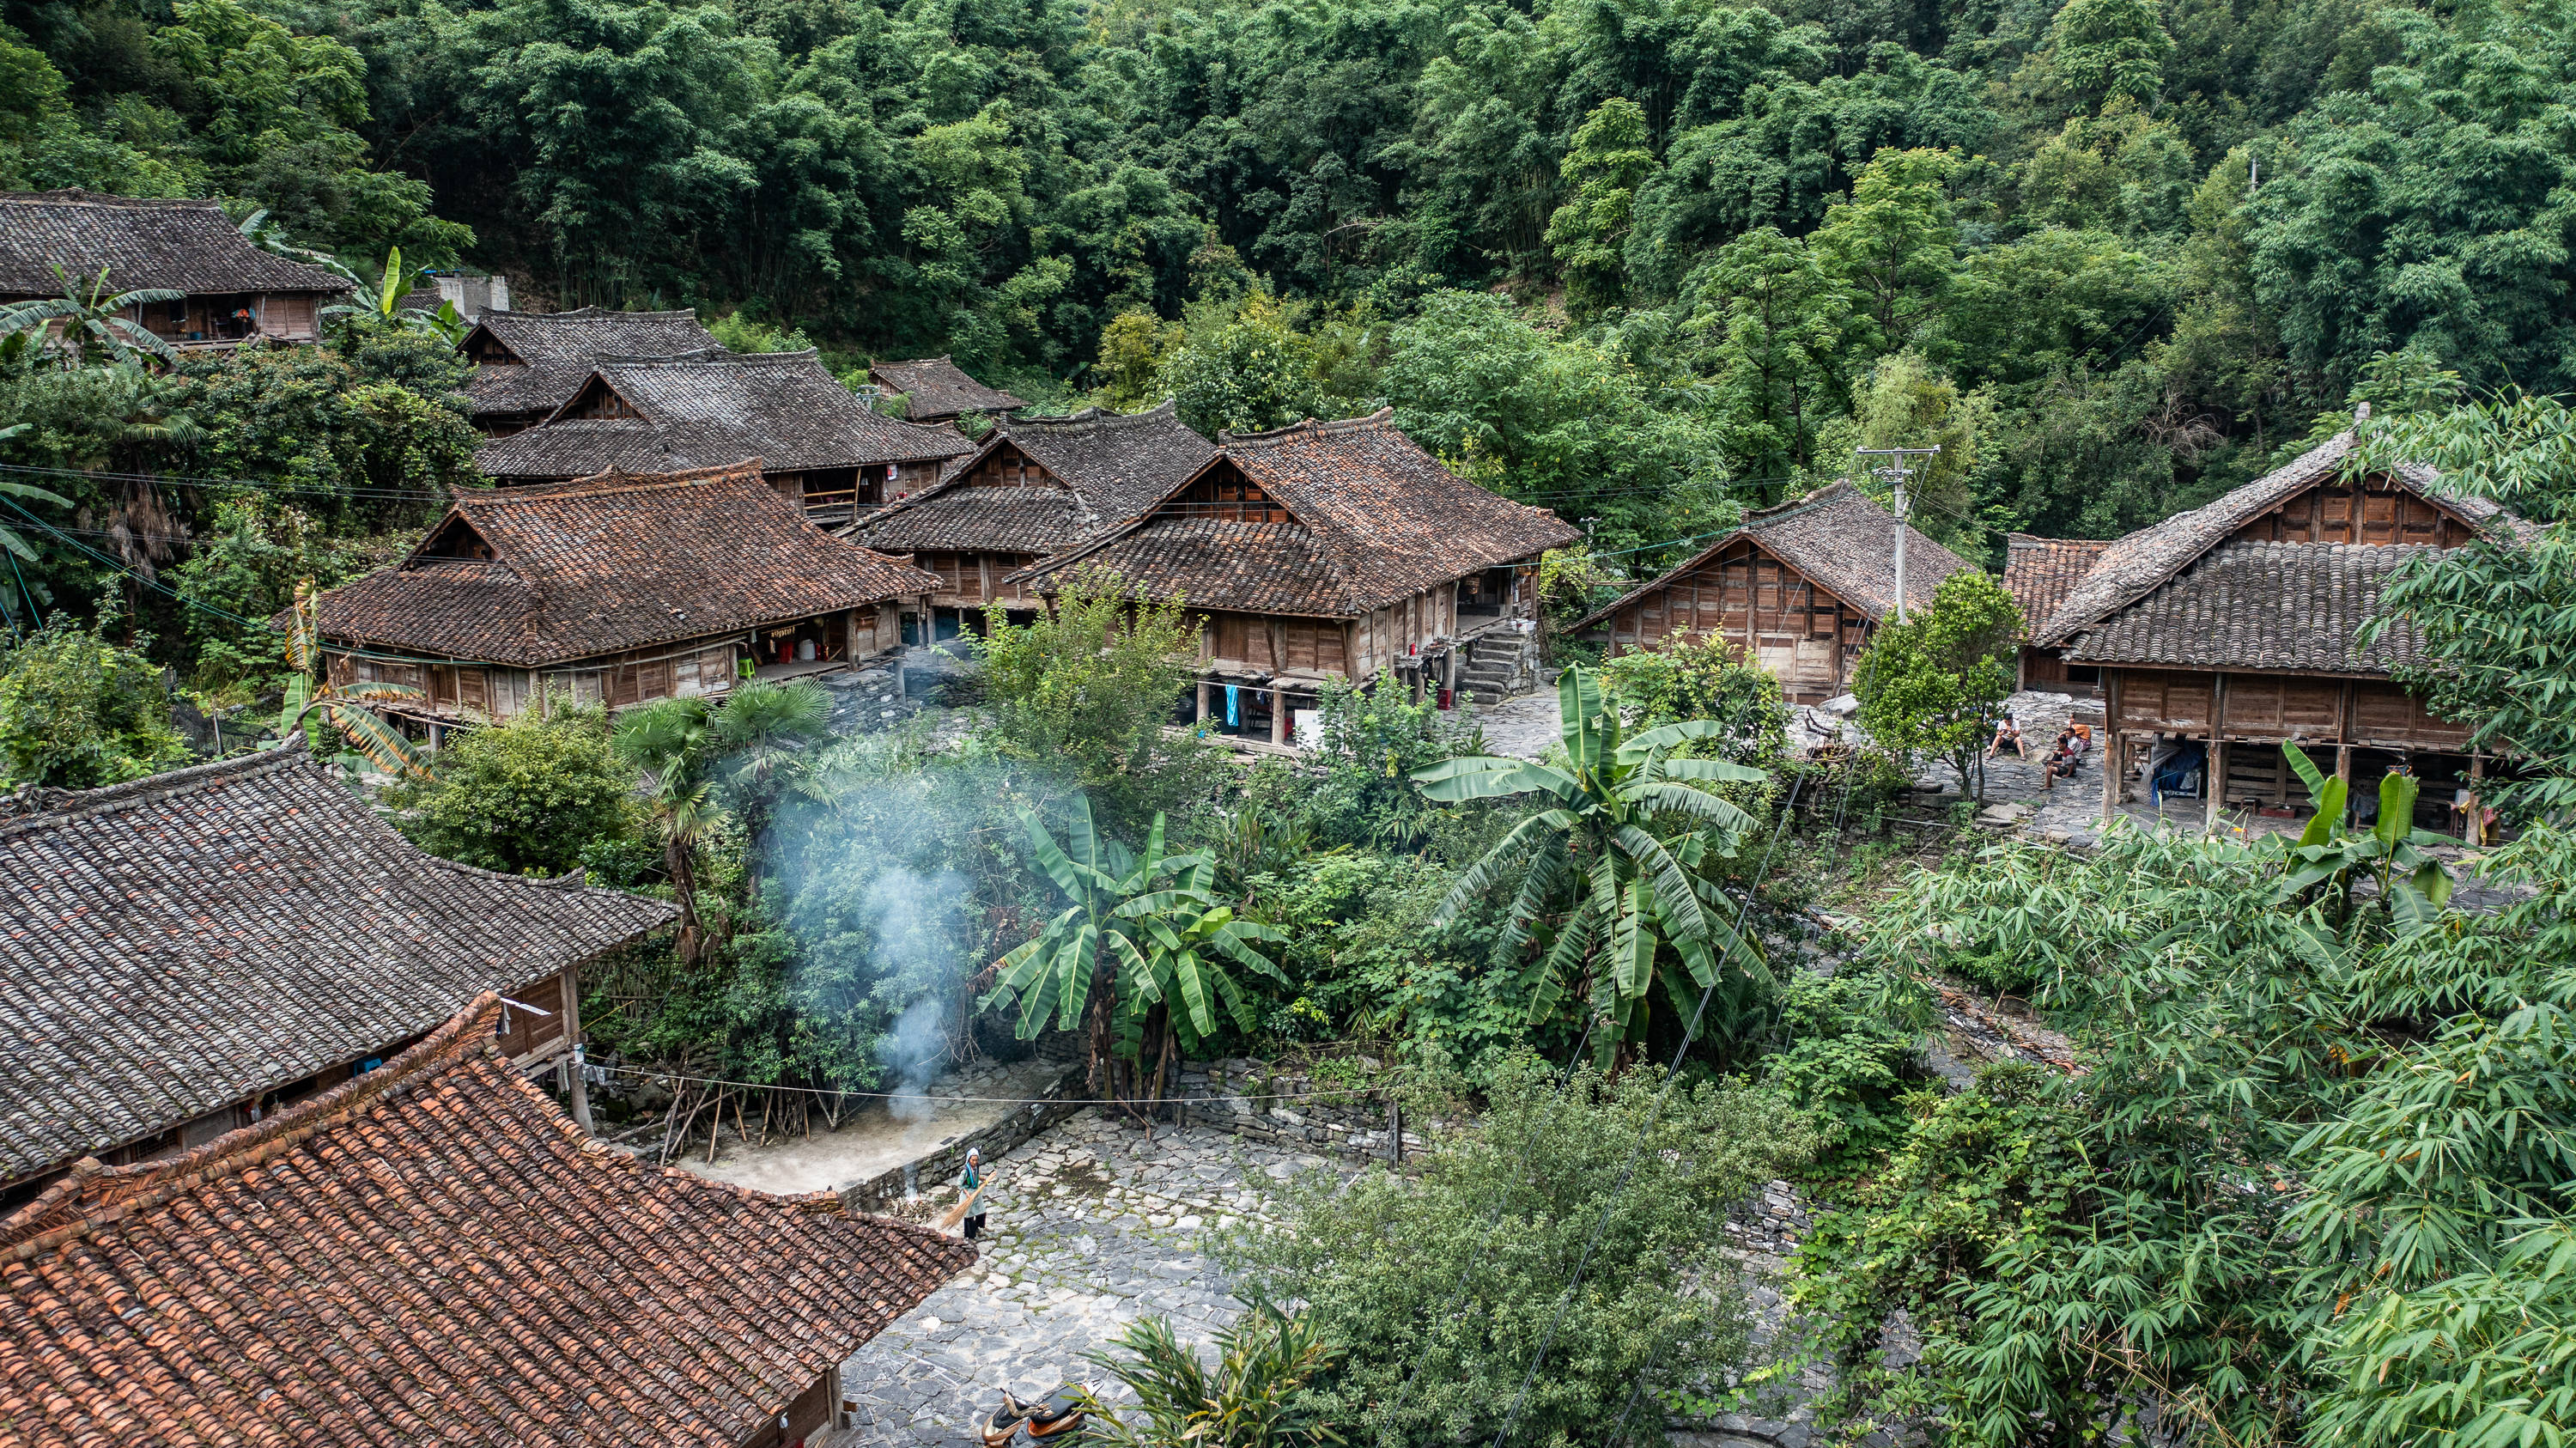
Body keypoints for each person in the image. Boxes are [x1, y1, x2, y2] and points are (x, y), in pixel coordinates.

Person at [958, 1146, 998, 1242]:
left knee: (981, 1211)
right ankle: (970, 1236)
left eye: (976, 1160)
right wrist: (967, 1193)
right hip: (967, 1195)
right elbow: (959, 1184)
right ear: (969, 1159)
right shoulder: (965, 1171)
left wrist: (983, 1178)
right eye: (973, 1160)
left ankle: (978, 1228)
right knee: (969, 1216)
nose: (975, 1162)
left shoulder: (976, 1167)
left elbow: (976, 1175)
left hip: (976, 1192)